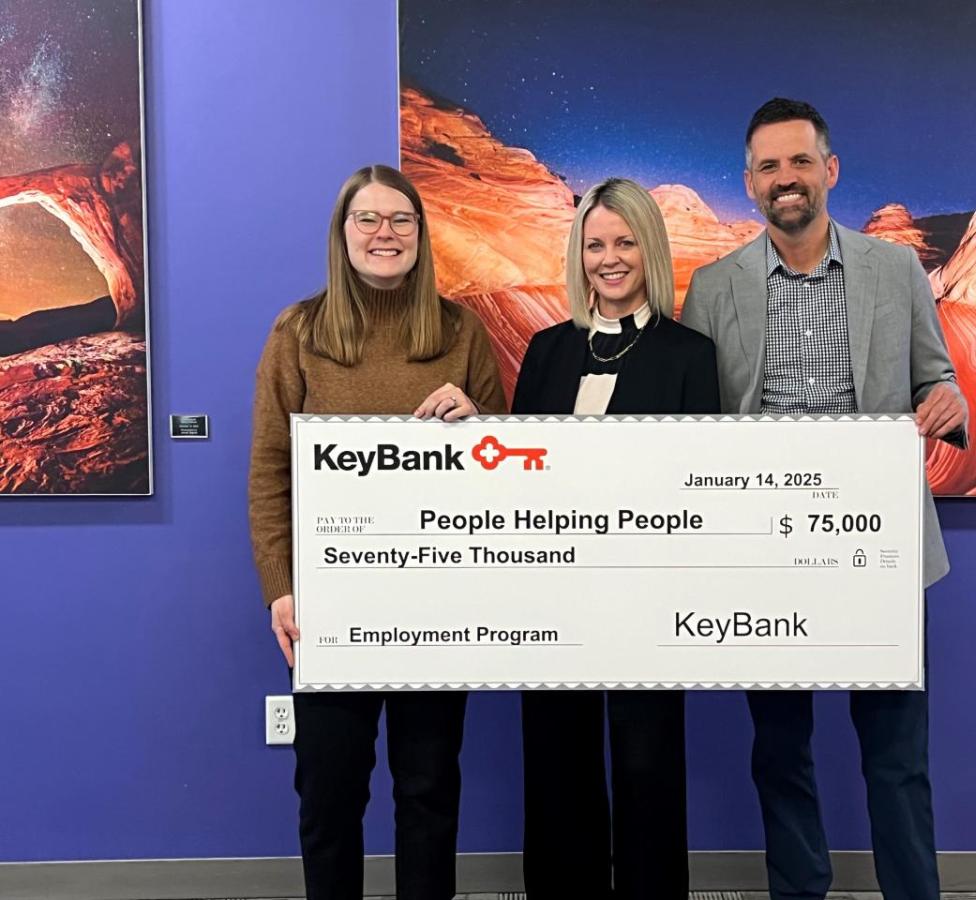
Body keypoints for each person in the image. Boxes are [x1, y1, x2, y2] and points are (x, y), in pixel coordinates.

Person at [681, 99, 969, 900]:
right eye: (769, 166)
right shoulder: (712, 287)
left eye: (800, 162)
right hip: (764, 560)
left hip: (878, 556)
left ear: (830, 171)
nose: (786, 179)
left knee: (897, 757)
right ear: (749, 183)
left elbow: (936, 376)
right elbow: (694, 423)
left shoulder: (895, 269)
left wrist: (951, 405)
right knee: (780, 750)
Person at [248, 164, 506, 900]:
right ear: (342, 234)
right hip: (332, 606)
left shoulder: (461, 331)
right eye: (367, 219)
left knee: (428, 792)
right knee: (329, 796)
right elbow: (270, 470)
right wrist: (281, 591)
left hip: (436, 603)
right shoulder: (298, 331)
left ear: (422, 236)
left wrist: (481, 423)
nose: (384, 234)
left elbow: (509, 469)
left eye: (400, 220)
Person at [513, 177, 719, 899]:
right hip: (554, 603)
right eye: (596, 244)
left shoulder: (690, 356)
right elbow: (518, 481)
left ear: (650, 250)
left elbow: (701, 488)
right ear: (579, 254)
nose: (610, 258)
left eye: (625, 241)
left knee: (647, 771)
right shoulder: (544, 353)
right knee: (557, 767)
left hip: (647, 602)